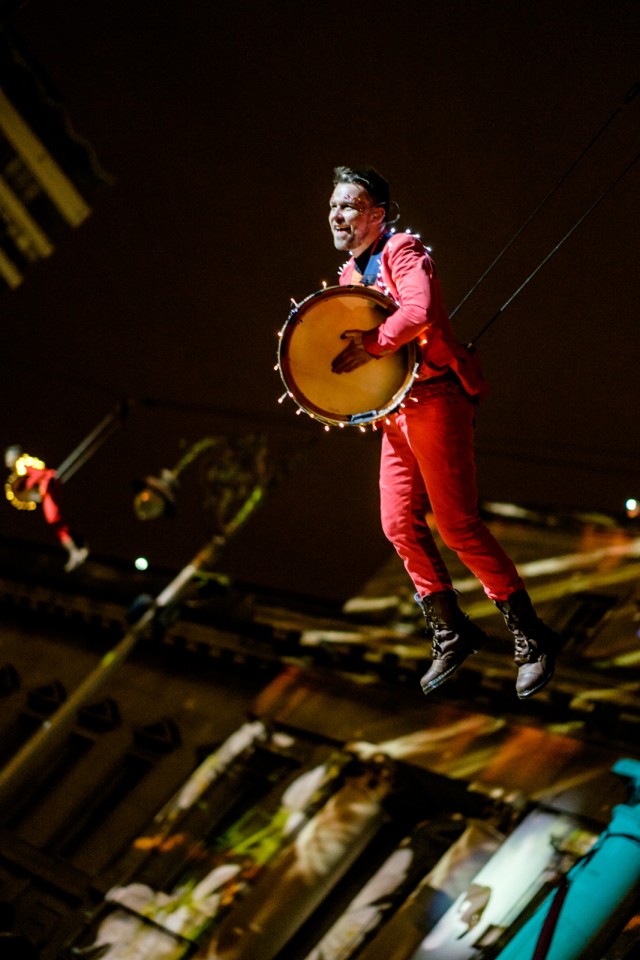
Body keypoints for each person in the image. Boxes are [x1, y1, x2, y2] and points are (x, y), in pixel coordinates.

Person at [328, 165, 558, 699]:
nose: (337, 215)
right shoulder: (346, 278)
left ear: (376, 215)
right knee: (395, 524)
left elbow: (419, 311)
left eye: (348, 206)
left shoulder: (402, 249)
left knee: (457, 526)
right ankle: (451, 630)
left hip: (435, 397)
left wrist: (374, 345)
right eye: (332, 207)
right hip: (393, 411)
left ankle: (532, 635)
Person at [4, 445, 88, 572]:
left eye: (8, 458)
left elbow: (41, 473)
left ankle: (77, 548)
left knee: (53, 519)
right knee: (56, 522)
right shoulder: (21, 467)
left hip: (48, 486)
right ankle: (77, 547)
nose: (7, 463)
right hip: (47, 488)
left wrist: (28, 484)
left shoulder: (22, 464)